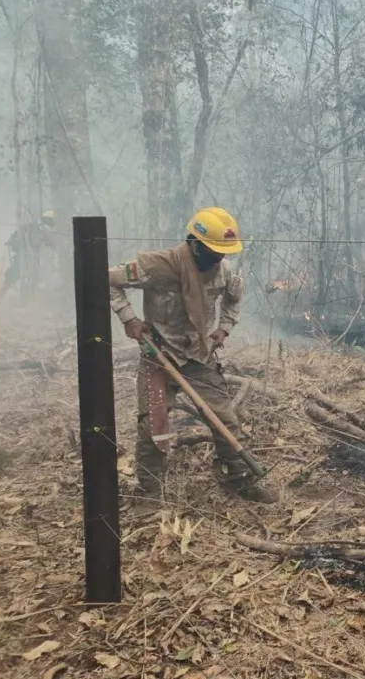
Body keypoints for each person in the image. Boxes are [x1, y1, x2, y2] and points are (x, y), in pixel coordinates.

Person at [109, 207, 276, 507]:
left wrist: (223, 329)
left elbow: (234, 299)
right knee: (153, 426)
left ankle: (239, 479)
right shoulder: (157, 267)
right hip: (158, 354)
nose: (218, 259)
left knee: (225, 419)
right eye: (213, 252)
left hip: (199, 356)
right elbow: (108, 279)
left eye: (222, 253)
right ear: (194, 244)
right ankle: (150, 493)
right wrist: (129, 319)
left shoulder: (223, 271)